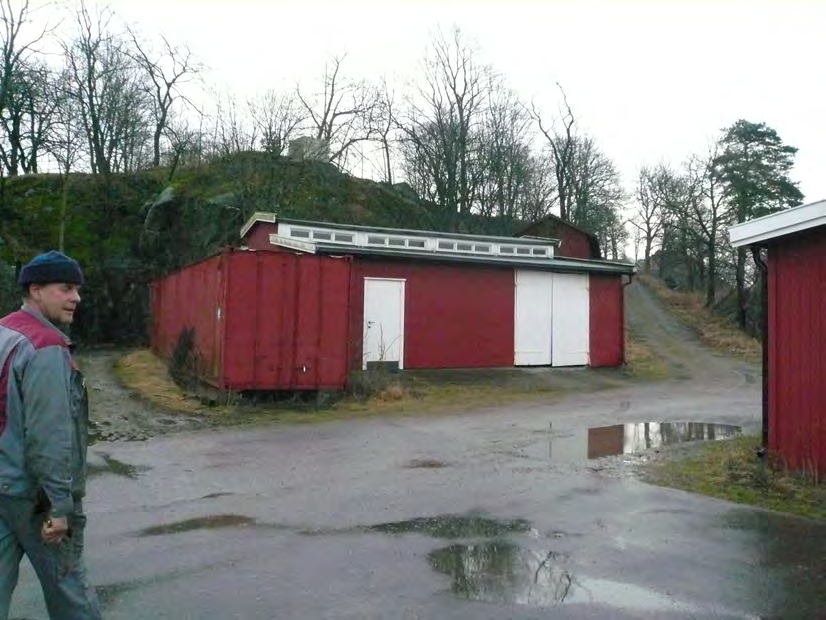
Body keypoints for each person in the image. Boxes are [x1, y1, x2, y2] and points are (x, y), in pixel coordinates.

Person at [0, 250, 101, 619]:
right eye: (66, 288)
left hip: (2, 488)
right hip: (35, 499)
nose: (77, 297)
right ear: (36, 290)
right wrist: (60, 507)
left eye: (77, 289)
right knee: (71, 595)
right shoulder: (46, 346)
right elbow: (50, 435)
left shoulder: (4, 330)